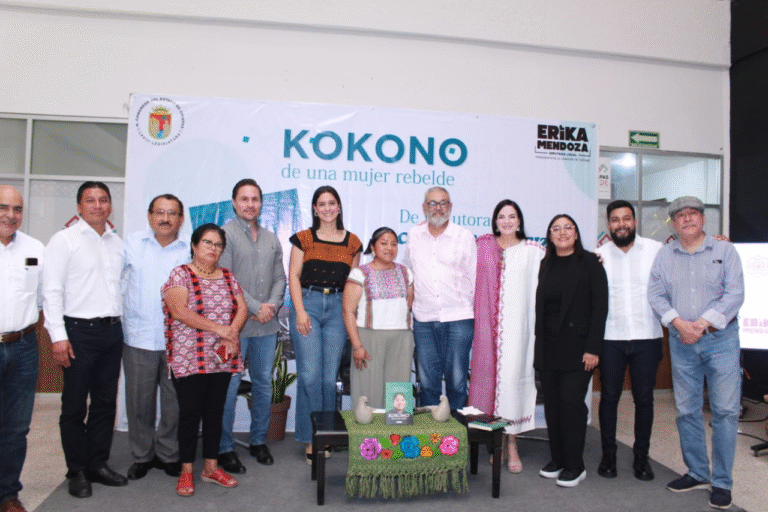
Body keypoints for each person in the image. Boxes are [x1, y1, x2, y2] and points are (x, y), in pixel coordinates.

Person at [648, 196, 744, 510]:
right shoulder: (665, 255)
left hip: (721, 340)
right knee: (687, 410)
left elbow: (735, 293)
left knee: (725, 412)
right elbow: (656, 294)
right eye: (681, 215)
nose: (687, 219)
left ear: (702, 219)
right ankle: (698, 472)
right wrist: (679, 323)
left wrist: (700, 324)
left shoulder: (725, 250)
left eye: (693, 214)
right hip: (681, 341)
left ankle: (722, 482)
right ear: (673, 223)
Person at [42, 181, 127, 499]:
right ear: (79, 207)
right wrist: (58, 337)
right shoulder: (64, 240)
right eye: (90, 200)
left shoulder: (116, 242)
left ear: (110, 206)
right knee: (75, 406)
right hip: (77, 332)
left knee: (106, 404)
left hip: (111, 332)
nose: (98, 205)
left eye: (103, 200)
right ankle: (77, 469)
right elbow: (52, 291)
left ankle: (98, 464)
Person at [162, 223, 248, 497]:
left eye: (218, 244)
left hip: (221, 357)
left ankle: (210, 468)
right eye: (208, 243)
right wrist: (221, 329)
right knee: (189, 414)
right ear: (195, 245)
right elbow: (179, 311)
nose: (213, 249)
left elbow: (242, 308)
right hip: (189, 357)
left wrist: (232, 331)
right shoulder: (181, 274)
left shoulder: (228, 276)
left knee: (215, 412)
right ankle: (186, 471)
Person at [468, 199, 544, 474]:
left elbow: (561, 265)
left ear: (520, 221)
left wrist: (593, 257)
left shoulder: (533, 251)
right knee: (487, 384)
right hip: (488, 331)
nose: (507, 221)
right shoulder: (482, 247)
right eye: (501, 216)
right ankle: (494, 439)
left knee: (513, 383)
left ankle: (512, 443)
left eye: (512, 216)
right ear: (495, 220)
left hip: (518, 332)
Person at [289, 185, 362, 463]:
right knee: (309, 376)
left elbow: (354, 283)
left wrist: (349, 314)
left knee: (328, 378)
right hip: (308, 304)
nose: (327, 208)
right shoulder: (303, 239)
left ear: (339, 207)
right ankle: (311, 438)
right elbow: (294, 276)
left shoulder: (353, 242)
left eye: (332, 203)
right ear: (315, 209)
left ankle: (326, 437)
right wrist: (299, 311)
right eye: (322, 203)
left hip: (338, 310)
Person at [535, 214, 608, 488]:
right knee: (552, 406)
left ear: (576, 234)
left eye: (568, 228)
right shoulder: (545, 264)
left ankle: (575, 466)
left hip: (579, 349)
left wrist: (593, 348)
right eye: (556, 228)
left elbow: (600, 308)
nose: (562, 232)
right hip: (549, 347)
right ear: (550, 235)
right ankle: (558, 459)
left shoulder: (590, 262)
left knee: (571, 404)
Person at [218, 179, 286, 472]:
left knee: (262, 384)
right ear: (234, 202)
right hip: (235, 328)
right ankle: (224, 448)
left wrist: (269, 306)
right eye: (243, 199)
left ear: (261, 203)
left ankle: (258, 441)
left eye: (255, 199)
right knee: (229, 386)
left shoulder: (272, 238)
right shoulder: (225, 234)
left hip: (265, 328)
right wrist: (258, 308)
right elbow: (226, 279)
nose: (249, 204)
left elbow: (280, 278)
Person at [594, 200, 663, 481]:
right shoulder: (597, 256)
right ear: (608, 225)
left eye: (626, 219)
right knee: (609, 398)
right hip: (611, 338)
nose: (621, 224)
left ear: (634, 222)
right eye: (615, 219)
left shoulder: (656, 251)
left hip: (647, 336)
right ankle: (608, 456)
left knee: (644, 399)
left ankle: (641, 458)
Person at [122, 194, 188, 481]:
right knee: (139, 402)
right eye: (159, 212)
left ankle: (169, 454)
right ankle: (141, 455)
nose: (165, 218)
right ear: (149, 216)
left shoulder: (189, 250)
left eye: (172, 213)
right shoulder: (131, 245)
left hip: (177, 340)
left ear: (181, 219)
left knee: (174, 403)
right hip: (139, 337)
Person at [404, 186, 476, 409]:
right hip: (423, 319)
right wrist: (408, 313)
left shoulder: (464, 237)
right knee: (427, 383)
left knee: (456, 382)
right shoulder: (414, 236)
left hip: (459, 317)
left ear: (451, 207)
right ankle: (432, 439)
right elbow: (409, 276)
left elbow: (474, 280)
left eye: (443, 202)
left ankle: (455, 440)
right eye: (432, 203)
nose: (438, 208)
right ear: (424, 208)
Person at [0, 186, 45, 512]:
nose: (10, 215)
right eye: (3, 207)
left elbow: (43, 297)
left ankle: (7, 495)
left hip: (25, 345)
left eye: (17, 209)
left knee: (16, 427)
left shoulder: (34, 248)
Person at [342, 227, 414, 409]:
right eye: (384, 243)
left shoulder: (406, 273)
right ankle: (368, 437)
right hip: (368, 338)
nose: (389, 248)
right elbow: (348, 311)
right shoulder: (359, 273)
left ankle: (395, 435)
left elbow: (409, 304)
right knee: (367, 391)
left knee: (398, 395)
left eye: (394, 244)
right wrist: (357, 345)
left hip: (401, 338)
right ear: (373, 246)